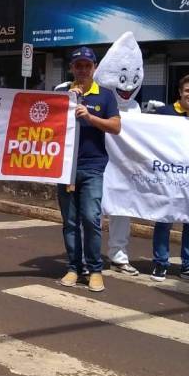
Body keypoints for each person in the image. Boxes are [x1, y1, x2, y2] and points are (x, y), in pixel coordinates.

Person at [55, 46, 121, 293]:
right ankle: (74, 268)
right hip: (64, 167)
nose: (83, 70)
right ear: (71, 68)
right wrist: (67, 101)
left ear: (94, 68)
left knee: (91, 219)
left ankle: (95, 270)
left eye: (87, 65)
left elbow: (116, 127)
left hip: (92, 166)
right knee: (70, 222)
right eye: (78, 65)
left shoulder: (105, 96)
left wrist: (90, 117)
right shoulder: (60, 92)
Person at [151, 74, 189, 284]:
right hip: (167, 176)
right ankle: (160, 263)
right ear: (180, 92)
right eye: (188, 90)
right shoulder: (163, 114)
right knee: (164, 220)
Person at [93, 31, 143, 276]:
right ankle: (88, 255)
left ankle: (119, 256)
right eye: (122, 78)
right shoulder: (95, 99)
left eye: (133, 78)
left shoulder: (135, 107)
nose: (127, 85)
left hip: (124, 170)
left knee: (122, 213)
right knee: (90, 213)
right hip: (95, 166)